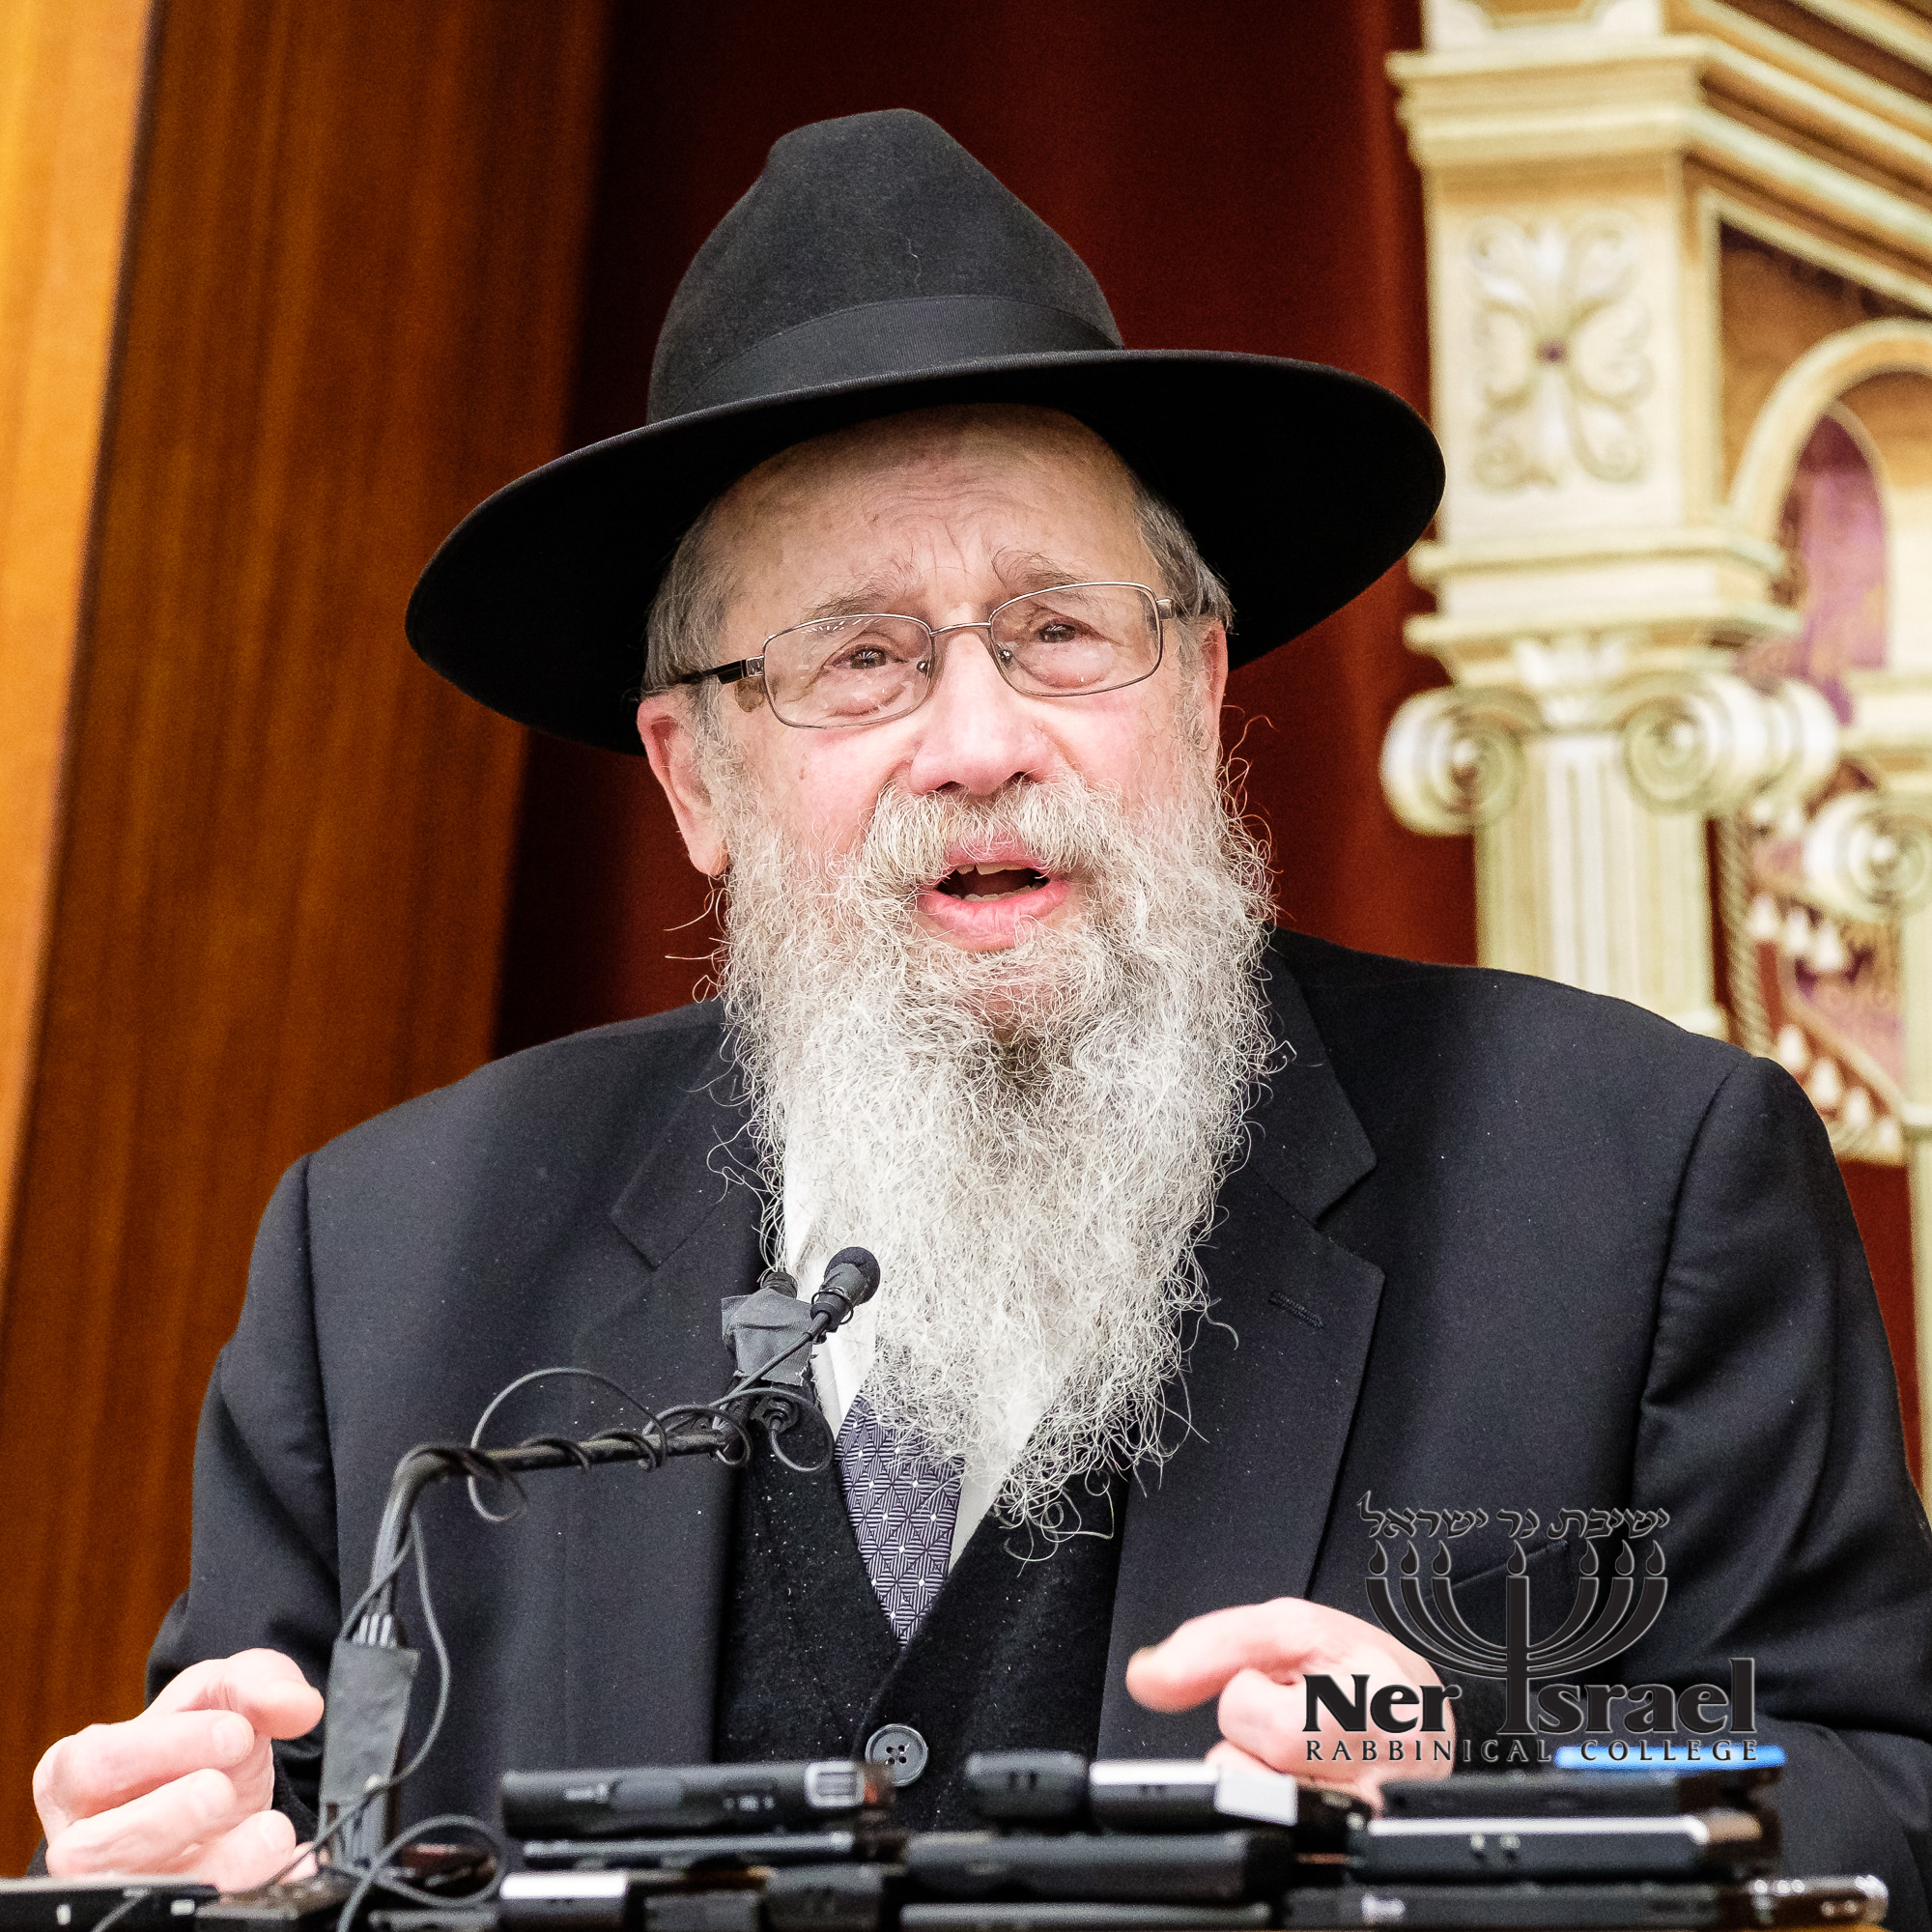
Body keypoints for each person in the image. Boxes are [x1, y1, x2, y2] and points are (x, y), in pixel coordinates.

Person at [30, 110, 1932, 1924]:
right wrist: (165, 1870)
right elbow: (273, 1824)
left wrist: (1472, 1767)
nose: (980, 739)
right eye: (860, 659)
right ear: (695, 776)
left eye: (1060, 632)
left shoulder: (1629, 1180)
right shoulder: (388, 1265)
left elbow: (1866, 1785)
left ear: (1199, 687)